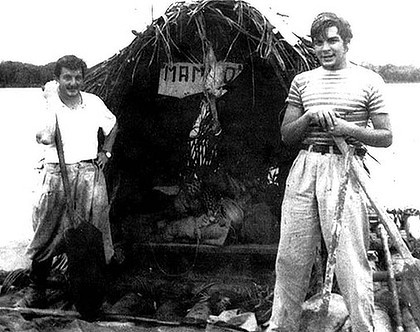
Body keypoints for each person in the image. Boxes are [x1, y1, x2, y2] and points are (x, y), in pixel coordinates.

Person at [265, 12, 392, 332]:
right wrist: (309, 116)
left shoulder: (368, 81)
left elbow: (386, 136)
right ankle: (281, 326)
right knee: (291, 257)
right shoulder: (303, 82)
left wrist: (346, 127)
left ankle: (365, 326)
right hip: (306, 166)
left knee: (350, 258)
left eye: (332, 40)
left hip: (344, 167)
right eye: (319, 42)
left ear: (347, 43)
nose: (325, 48)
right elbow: (287, 135)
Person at [15, 55, 118, 308]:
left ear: (83, 78)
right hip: (56, 176)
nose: (73, 83)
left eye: (77, 77)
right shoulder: (49, 107)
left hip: (89, 176)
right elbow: (45, 137)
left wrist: (106, 152)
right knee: (46, 234)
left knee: (93, 233)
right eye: (67, 77)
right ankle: (36, 290)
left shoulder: (93, 103)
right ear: (57, 79)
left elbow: (113, 125)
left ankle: (86, 290)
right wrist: (51, 101)